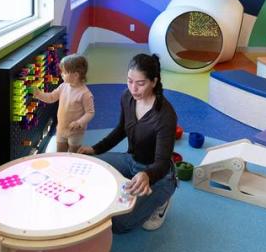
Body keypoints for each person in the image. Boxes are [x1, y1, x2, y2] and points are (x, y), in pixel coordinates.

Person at [78, 53, 177, 232]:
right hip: (131, 161)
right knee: (89, 165)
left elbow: (162, 163)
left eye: (140, 83)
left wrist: (147, 175)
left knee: (119, 225)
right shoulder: (127, 97)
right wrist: (95, 148)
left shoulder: (165, 115)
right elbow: (121, 129)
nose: (133, 89)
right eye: (130, 81)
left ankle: (162, 200)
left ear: (154, 82)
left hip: (157, 175)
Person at [33, 54, 95, 153]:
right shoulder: (63, 86)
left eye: (65, 72)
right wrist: (39, 95)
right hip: (61, 129)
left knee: (73, 154)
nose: (61, 74)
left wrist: (79, 122)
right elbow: (52, 97)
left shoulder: (85, 94)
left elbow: (90, 113)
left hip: (75, 133)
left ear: (75, 75)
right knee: (60, 154)